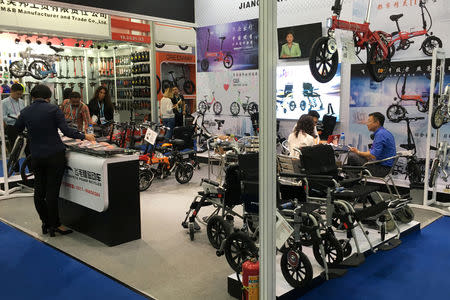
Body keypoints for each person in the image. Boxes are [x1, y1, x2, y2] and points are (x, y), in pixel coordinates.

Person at [14, 85, 95, 237]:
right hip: (54, 155)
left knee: (39, 191)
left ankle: (45, 223)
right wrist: (85, 136)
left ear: (32, 97)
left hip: (36, 156)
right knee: (52, 192)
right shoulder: (53, 109)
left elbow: (17, 128)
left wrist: (33, 135)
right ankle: (55, 225)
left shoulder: (25, 111)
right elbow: (66, 131)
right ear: (48, 97)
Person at [348, 112, 396, 177]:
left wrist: (358, 152)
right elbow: (372, 153)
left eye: (369, 121)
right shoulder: (384, 132)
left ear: (377, 123)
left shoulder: (380, 134)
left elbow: (373, 155)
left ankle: (352, 181)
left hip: (381, 169)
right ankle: (354, 179)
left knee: (352, 156)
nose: (367, 124)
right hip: (382, 167)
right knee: (355, 156)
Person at [2, 83, 25, 152]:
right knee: (15, 150)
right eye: (18, 94)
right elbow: (3, 117)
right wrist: (15, 117)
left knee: (24, 148)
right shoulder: (4, 102)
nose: (19, 96)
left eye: (21, 94)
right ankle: (15, 163)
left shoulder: (22, 102)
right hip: (11, 128)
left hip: (22, 127)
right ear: (12, 91)